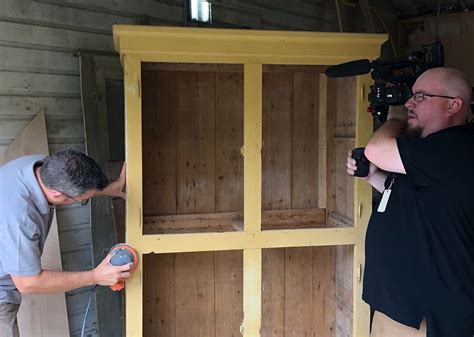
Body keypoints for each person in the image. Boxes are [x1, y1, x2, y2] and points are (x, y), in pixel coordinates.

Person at [347, 67, 474, 337]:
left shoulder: (455, 149)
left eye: (420, 97)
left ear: (453, 105)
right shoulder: (428, 152)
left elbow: (376, 149)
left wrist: (395, 118)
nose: (408, 104)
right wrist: (373, 175)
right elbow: (417, 199)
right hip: (396, 309)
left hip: (424, 320)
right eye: (410, 97)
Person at [0, 149, 133, 337]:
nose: (84, 201)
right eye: (83, 201)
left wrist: (105, 189)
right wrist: (96, 276)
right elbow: (28, 282)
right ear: (56, 194)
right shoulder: (19, 220)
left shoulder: (43, 167)